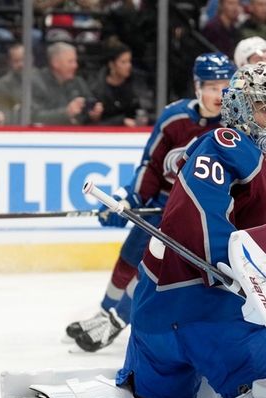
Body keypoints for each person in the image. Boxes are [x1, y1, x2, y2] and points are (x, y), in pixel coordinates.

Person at [115, 62, 266, 398]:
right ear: (240, 110)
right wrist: (228, 269)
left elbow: (263, 241)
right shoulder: (227, 144)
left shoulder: (263, 165)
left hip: (158, 316)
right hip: (205, 306)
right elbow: (194, 213)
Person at [66, 53, 236, 352]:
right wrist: (131, 199)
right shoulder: (175, 117)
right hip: (163, 201)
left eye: (225, 86)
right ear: (197, 87)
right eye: (211, 86)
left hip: (199, 214)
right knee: (131, 254)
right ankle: (104, 312)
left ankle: (118, 319)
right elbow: (152, 165)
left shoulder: (233, 126)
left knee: (152, 265)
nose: (218, 94)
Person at [31, 42, 103, 125]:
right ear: (55, 63)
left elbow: (89, 113)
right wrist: (66, 113)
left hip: (77, 135)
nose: (75, 65)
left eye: (75, 61)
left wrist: (94, 114)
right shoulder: (36, 83)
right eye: (70, 61)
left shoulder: (78, 82)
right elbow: (34, 116)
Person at [91, 42, 143, 127]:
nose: (129, 65)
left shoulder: (136, 84)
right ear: (111, 64)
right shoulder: (98, 90)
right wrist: (121, 122)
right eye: (123, 62)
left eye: (129, 61)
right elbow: (94, 124)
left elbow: (144, 111)